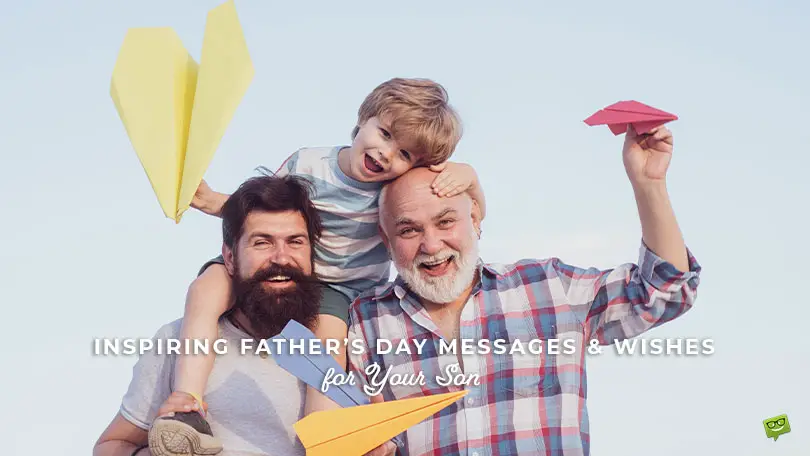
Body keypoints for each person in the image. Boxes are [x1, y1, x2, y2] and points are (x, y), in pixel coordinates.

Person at [149, 77, 486, 454]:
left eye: (406, 154)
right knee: (204, 291)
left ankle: (323, 443)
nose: (388, 154)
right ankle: (187, 405)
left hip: (339, 289)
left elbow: (470, 206)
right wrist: (216, 202)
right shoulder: (308, 163)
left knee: (323, 354)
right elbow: (266, 211)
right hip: (279, 264)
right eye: (386, 134)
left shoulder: (393, 190)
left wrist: (469, 176)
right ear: (363, 119)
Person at [346, 125, 702, 455]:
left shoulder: (547, 286)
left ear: (474, 219)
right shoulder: (365, 323)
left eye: (445, 222)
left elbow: (664, 293)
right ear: (387, 240)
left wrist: (649, 183)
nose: (432, 244)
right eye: (409, 231)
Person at [93, 175, 395, 456]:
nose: (281, 257)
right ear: (229, 258)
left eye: (295, 242)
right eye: (261, 242)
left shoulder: (351, 348)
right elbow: (111, 444)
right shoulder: (178, 340)